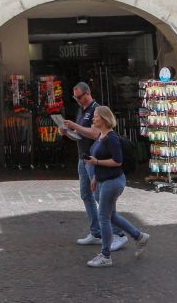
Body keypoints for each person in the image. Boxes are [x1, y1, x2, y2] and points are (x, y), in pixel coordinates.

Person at [61, 82, 125, 253]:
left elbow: (95, 133)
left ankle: (118, 234)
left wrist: (74, 126)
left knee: (101, 197)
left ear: (88, 93)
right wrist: (68, 132)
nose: (78, 100)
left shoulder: (97, 110)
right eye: (75, 98)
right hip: (83, 158)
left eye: (80, 97)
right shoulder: (81, 110)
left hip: (95, 159)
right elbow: (80, 135)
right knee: (86, 195)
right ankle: (96, 232)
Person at [83, 105, 148, 268]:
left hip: (113, 182)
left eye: (96, 116)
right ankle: (139, 236)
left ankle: (106, 256)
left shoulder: (111, 138)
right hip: (104, 180)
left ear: (104, 119)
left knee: (103, 217)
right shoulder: (101, 136)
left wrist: (96, 162)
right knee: (111, 216)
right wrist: (95, 177)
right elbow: (100, 157)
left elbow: (117, 161)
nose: (93, 118)